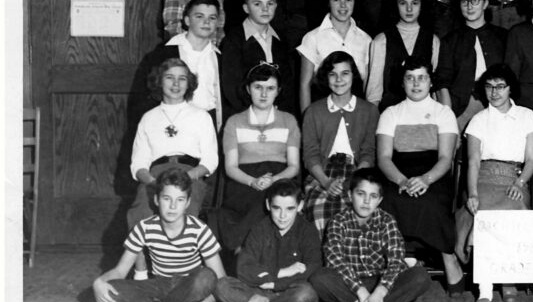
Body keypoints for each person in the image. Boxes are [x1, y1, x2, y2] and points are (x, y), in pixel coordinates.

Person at [93, 169, 225, 302]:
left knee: (206, 277)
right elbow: (120, 271)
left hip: (189, 287)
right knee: (111, 292)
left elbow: (221, 280)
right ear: (156, 199)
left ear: (188, 203)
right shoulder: (144, 227)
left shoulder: (199, 230)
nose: (173, 206)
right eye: (166, 198)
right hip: (159, 285)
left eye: (180, 200)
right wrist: (99, 282)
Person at [375, 56, 464, 293]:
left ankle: (448, 257)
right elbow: (383, 158)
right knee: (391, 201)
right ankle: (400, 261)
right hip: (399, 173)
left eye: (422, 78)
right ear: (402, 82)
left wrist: (426, 179)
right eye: (410, 78)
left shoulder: (443, 113)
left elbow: (446, 158)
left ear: (430, 82)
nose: (416, 84)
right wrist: (402, 180)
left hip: (433, 173)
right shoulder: (391, 113)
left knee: (432, 203)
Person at [310, 168, 433, 302]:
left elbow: (395, 260)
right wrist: (361, 292)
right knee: (319, 278)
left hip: (381, 283)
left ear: (380, 200)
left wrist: (380, 292)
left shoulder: (386, 221)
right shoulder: (338, 222)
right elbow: (335, 260)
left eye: (373, 196)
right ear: (349, 195)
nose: (366, 201)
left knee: (421, 276)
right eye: (360, 194)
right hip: (350, 285)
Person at [462, 64, 533, 302]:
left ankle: (508, 277)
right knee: (482, 216)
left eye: (500, 86)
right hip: (484, 178)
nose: (494, 92)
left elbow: (531, 160)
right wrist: (472, 192)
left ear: (510, 88)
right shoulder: (478, 120)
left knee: (516, 209)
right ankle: (485, 289)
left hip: (514, 178)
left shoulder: (527, 116)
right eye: (489, 86)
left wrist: (520, 183)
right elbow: (473, 161)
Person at [126, 58, 218, 240]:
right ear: (159, 81)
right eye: (169, 77)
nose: (176, 84)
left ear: (189, 83)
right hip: (156, 175)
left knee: (184, 211)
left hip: (189, 174)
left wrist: (187, 177)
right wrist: (153, 182)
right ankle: (141, 268)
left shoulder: (201, 116)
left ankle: (182, 264)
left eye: (182, 79)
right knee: (140, 210)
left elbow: (210, 161)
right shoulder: (149, 118)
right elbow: (138, 164)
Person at [214, 179, 321, 302]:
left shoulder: (307, 231)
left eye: (290, 209)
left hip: (287, 293)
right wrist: (281, 272)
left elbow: (312, 267)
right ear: (267, 205)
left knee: (306, 295)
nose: (283, 216)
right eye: (277, 208)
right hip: (257, 291)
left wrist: (275, 284)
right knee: (221, 285)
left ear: (300, 206)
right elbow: (244, 270)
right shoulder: (259, 229)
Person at [216, 63, 301, 253]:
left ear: (278, 91)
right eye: (258, 87)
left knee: (274, 197)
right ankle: (246, 250)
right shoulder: (234, 122)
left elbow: (294, 166)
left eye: (270, 88)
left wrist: (274, 180)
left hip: (280, 178)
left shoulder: (289, 120)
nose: (264, 94)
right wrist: (253, 181)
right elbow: (230, 167)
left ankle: (248, 248)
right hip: (244, 181)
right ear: (248, 89)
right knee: (256, 201)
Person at [301, 51, 379, 235]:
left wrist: (355, 180)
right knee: (319, 212)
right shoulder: (313, 111)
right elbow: (310, 155)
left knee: (358, 211)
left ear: (354, 75)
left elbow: (368, 152)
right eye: (332, 74)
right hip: (323, 172)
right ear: (325, 78)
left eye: (345, 73)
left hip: (357, 170)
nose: (339, 79)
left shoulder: (369, 111)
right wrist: (326, 182)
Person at [134, 0, 223, 130]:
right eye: (199, 16)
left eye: (212, 18)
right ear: (187, 20)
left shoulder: (221, 58)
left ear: (218, 22)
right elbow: (145, 96)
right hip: (173, 124)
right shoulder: (163, 54)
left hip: (210, 124)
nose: (206, 22)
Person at [435, 0, 507, 133]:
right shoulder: (450, 40)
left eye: (475, 0)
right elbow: (442, 81)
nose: (469, 6)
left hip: (496, 103)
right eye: (464, 1)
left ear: (485, 3)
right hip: (460, 105)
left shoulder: (502, 37)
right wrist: (447, 117)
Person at [219, 0, 297, 117]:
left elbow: (288, 84)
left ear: (276, 6)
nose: (265, 9)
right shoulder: (233, 40)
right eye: (257, 4)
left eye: (270, 3)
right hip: (245, 117)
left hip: (278, 116)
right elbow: (231, 89)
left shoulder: (282, 40)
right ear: (246, 8)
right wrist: (256, 115)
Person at [296, 0, 372, 113]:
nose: (343, 5)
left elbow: (368, 85)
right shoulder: (313, 37)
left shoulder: (366, 40)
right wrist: (307, 122)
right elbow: (304, 85)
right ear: (328, 2)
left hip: (355, 114)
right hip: (322, 113)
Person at [366, 0, 440, 111]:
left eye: (414, 3)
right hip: (390, 114)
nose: (409, 9)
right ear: (395, 5)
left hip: (424, 115)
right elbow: (373, 92)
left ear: (422, 5)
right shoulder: (381, 40)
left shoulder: (433, 40)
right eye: (403, 3)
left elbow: (436, 89)